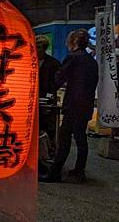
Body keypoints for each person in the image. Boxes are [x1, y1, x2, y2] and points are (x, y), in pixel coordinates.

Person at [48, 29, 98, 182]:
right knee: (81, 137)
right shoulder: (91, 60)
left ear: (74, 42)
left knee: (64, 137)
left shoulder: (73, 57)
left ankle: (55, 172)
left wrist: (49, 90)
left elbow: (59, 78)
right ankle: (79, 170)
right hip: (86, 105)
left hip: (73, 105)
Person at [36, 35, 61, 154]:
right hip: (34, 98)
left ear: (44, 48)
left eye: (39, 47)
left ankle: (48, 150)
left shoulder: (53, 63)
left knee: (48, 126)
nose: (36, 49)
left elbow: (57, 81)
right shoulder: (30, 61)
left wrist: (50, 94)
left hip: (47, 99)